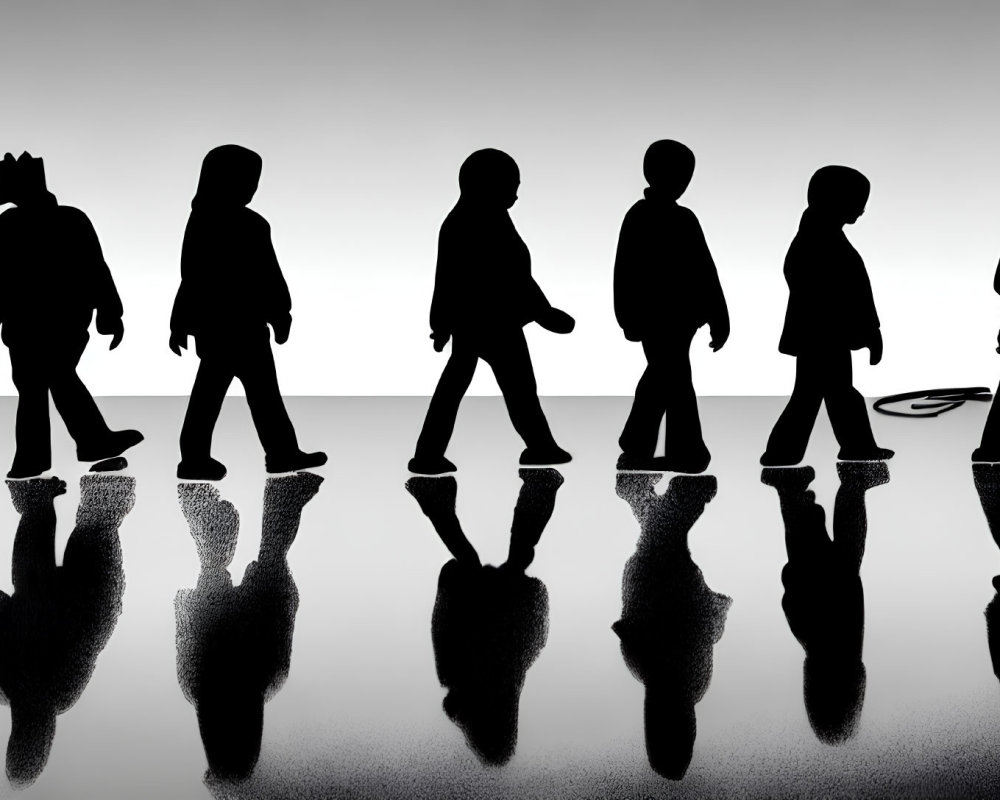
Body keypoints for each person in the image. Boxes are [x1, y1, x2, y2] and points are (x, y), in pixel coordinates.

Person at [408, 149, 575, 475]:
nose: (514, 195)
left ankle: (430, 453)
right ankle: (539, 445)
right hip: (492, 324)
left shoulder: (486, 218)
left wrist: (544, 312)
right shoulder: (464, 225)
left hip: (486, 322)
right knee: (516, 386)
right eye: (509, 186)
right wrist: (544, 313)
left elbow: (516, 274)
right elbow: (456, 277)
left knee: (482, 385)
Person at [170, 144, 326, 480]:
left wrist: (181, 322)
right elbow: (202, 276)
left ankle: (275, 452)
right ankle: (208, 457)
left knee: (247, 396)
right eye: (248, 179)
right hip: (233, 329)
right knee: (227, 396)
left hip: (233, 328)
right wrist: (280, 312)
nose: (253, 187)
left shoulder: (215, 221)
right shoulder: (242, 224)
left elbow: (195, 277)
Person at [0, 152, 143, 479]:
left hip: (41, 323)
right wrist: (110, 312)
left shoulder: (15, 224)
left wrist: (110, 311)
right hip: (47, 322)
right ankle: (85, 444)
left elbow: (95, 269)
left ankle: (39, 456)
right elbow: (96, 269)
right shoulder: (65, 220)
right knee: (52, 379)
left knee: (42, 382)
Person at [760, 166, 893, 466]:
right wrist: (869, 330)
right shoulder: (817, 241)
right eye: (857, 201)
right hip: (822, 336)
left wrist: (869, 329)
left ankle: (798, 451)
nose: (862, 209)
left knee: (827, 395)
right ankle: (787, 452)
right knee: (823, 396)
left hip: (825, 335)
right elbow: (835, 289)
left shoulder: (822, 237)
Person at [613, 140, 729, 473]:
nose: (684, 180)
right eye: (681, 173)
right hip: (656, 317)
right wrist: (628, 315)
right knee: (674, 377)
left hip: (681, 318)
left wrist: (717, 315)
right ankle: (683, 449)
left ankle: (639, 441)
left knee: (664, 375)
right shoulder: (642, 217)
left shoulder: (682, 219)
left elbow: (705, 271)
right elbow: (627, 270)